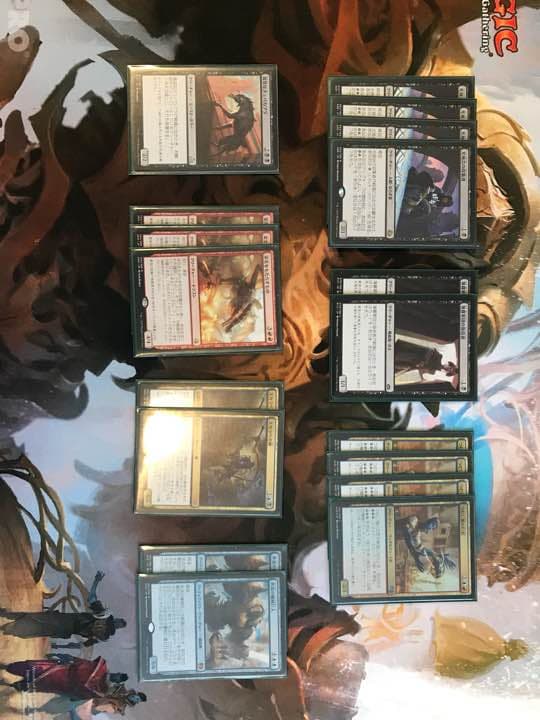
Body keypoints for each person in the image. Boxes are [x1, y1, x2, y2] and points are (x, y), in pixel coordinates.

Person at [0, 571, 126, 646]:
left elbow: (91, 598)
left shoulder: (103, 626)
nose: (116, 623)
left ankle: (7, 623)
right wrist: (96, 581)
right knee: (36, 621)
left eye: (118, 623)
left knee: (36, 623)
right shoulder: (103, 619)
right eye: (118, 622)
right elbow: (92, 598)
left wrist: (96, 581)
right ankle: (7, 621)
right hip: (65, 624)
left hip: (65, 626)